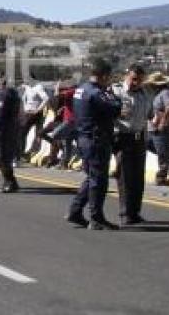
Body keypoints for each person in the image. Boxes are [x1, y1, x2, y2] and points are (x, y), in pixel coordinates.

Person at [66, 58, 123, 230]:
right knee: (99, 180)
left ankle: (75, 211)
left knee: (91, 177)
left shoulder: (81, 89)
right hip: (96, 139)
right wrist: (114, 96)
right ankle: (96, 218)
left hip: (83, 137)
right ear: (104, 76)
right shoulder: (97, 93)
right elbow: (115, 109)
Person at [112, 65, 150, 224]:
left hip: (139, 137)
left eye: (139, 80)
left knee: (138, 177)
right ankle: (125, 213)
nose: (136, 83)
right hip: (123, 137)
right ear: (126, 76)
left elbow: (147, 115)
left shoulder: (144, 93)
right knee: (125, 177)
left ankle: (135, 212)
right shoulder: (116, 91)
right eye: (133, 79)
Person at [0, 74, 21, 193]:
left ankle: (9, 182)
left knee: (1, 158)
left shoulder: (2, 94)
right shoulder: (14, 94)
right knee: (5, 157)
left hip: (3, 130)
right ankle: (11, 181)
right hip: (11, 129)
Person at [146, 71, 169, 187]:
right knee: (151, 146)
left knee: (162, 153)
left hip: (161, 130)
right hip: (153, 129)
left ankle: (161, 177)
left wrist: (163, 123)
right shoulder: (158, 94)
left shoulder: (165, 93)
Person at [20, 74, 50, 160]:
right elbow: (24, 98)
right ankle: (23, 153)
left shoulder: (38, 87)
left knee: (38, 134)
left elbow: (46, 98)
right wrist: (25, 108)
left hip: (36, 114)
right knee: (22, 133)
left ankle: (34, 153)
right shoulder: (26, 87)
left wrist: (38, 109)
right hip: (27, 113)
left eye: (27, 79)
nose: (25, 81)